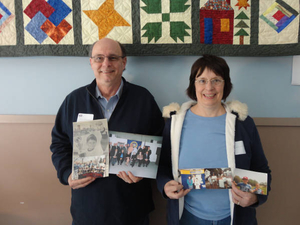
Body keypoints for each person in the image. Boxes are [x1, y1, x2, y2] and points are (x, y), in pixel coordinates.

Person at [50, 38, 164, 225]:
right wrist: (66, 173)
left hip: (132, 208)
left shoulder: (143, 99)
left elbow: (161, 142)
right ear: (91, 62)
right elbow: (59, 143)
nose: (106, 64)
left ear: (123, 62)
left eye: (112, 57)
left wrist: (147, 168)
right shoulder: (74, 100)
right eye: (99, 58)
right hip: (88, 207)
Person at [157, 54, 271, 225]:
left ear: (225, 84)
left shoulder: (243, 123)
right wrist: (165, 186)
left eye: (216, 80)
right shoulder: (175, 123)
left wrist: (254, 198)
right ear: (193, 84)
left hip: (235, 217)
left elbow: (261, 169)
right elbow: (162, 166)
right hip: (187, 217)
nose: (209, 87)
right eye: (202, 80)